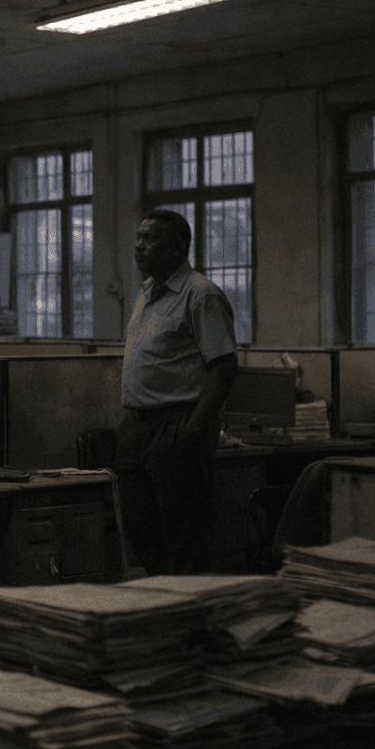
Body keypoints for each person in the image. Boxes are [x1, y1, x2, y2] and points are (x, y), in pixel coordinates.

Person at [116, 209, 238, 577]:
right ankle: (161, 609)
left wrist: (194, 429)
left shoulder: (200, 295)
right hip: (137, 428)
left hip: (176, 426)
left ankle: (188, 622)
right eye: (138, 237)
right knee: (141, 533)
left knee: (183, 538)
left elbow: (225, 367)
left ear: (179, 246)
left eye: (150, 238)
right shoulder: (146, 294)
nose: (139, 246)